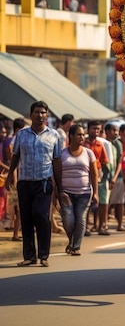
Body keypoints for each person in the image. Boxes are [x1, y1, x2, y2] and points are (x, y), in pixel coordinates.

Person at [6, 101, 62, 267]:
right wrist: (10, 175)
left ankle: (44, 255)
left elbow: (57, 161)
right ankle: (29, 256)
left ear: (47, 115)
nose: (40, 115)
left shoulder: (54, 135)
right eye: (37, 112)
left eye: (43, 112)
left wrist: (59, 186)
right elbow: (15, 156)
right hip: (24, 181)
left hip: (43, 182)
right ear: (31, 115)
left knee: (41, 215)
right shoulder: (21, 135)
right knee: (26, 218)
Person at [58, 124, 98, 255]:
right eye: (79, 134)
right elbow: (56, 174)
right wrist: (57, 191)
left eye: (83, 134)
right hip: (66, 193)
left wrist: (95, 193)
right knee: (68, 221)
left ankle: (75, 246)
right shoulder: (62, 153)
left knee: (80, 220)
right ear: (71, 136)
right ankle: (71, 240)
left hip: (84, 193)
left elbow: (94, 173)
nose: (82, 137)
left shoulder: (88, 153)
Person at [83, 120, 109, 235]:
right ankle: (86, 226)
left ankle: (102, 226)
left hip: (98, 175)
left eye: (98, 129)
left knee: (102, 201)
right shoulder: (83, 143)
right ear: (88, 129)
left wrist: (103, 175)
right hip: (85, 175)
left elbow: (104, 161)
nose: (96, 131)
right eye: (94, 128)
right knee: (86, 202)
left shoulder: (100, 144)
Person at [4, 118, 26, 242]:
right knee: (19, 208)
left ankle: (17, 233)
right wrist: (15, 181)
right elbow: (15, 163)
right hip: (15, 180)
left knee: (19, 208)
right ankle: (15, 234)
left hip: (16, 178)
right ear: (19, 129)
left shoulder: (13, 141)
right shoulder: (14, 142)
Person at [104, 123, 125, 231]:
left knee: (119, 202)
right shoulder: (102, 142)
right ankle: (103, 224)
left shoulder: (118, 143)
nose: (116, 133)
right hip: (105, 176)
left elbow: (119, 162)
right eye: (114, 130)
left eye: (117, 130)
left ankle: (120, 224)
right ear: (107, 131)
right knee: (105, 202)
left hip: (118, 176)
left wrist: (115, 177)